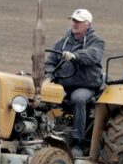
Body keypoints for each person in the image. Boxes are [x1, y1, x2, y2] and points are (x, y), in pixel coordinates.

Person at [45, 8, 105, 155]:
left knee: (78, 99)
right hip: (64, 85)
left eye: (78, 21)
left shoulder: (97, 41)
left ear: (88, 24)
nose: (75, 23)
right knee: (42, 96)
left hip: (86, 85)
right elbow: (51, 61)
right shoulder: (62, 42)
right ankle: (43, 135)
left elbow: (93, 55)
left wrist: (75, 56)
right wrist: (49, 75)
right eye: (73, 20)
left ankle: (79, 142)